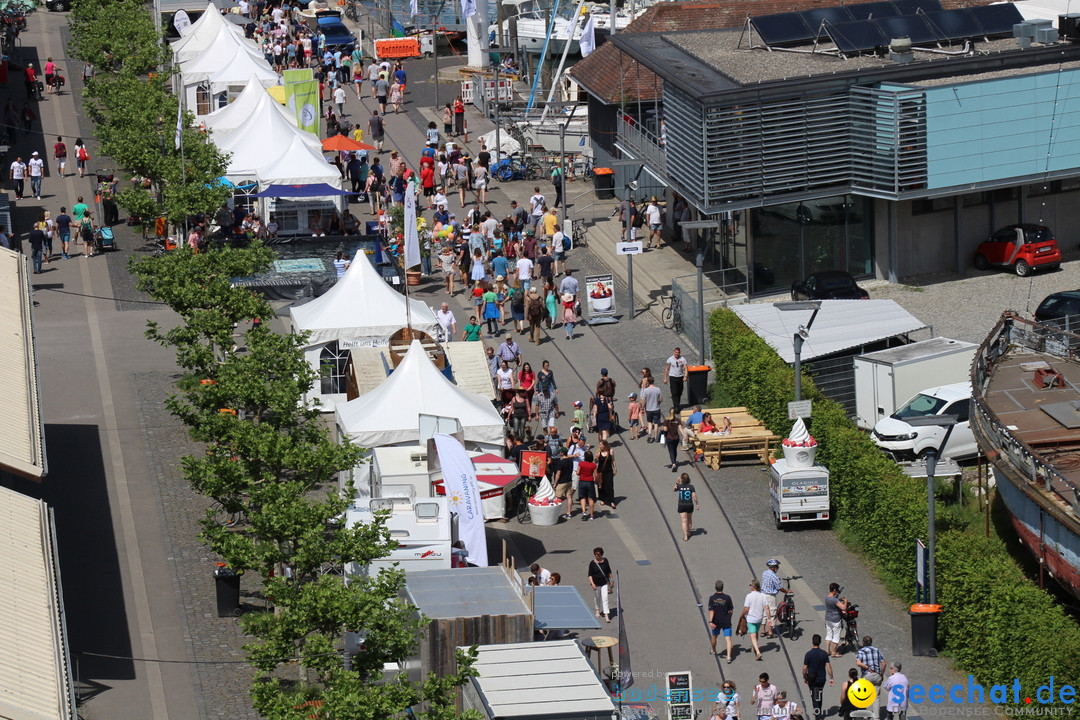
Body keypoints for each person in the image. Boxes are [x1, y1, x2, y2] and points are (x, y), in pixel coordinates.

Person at [803, 634, 833, 719]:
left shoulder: (808, 654)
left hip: (812, 679)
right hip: (822, 678)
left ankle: (818, 715)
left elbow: (805, 668)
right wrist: (831, 678)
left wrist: (804, 677)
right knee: (819, 694)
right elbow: (828, 666)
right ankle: (818, 711)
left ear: (812, 642)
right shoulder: (824, 653)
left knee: (815, 696)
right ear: (820, 642)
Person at [741, 580, 769, 662]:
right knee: (756, 632)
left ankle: (758, 652)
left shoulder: (749, 596)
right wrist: (769, 618)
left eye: (750, 585)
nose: (749, 586)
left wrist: (742, 615)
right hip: (759, 618)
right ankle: (754, 647)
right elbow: (767, 607)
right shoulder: (763, 596)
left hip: (751, 618)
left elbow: (746, 609)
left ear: (753, 587)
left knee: (752, 635)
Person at [708, 580, 735, 661]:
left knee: (714, 636)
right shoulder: (727, 597)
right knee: (728, 639)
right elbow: (731, 610)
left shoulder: (712, 598)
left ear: (715, 588)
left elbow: (711, 611)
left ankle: (713, 650)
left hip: (716, 621)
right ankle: (729, 657)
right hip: (726, 621)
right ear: (723, 587)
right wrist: (729, 617)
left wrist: (710, 621)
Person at [587, 547, 613, 623]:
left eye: (598, 554)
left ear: (601, 554)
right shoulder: (592, 563)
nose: (596, 555)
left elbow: (609, 572)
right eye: (595, 554)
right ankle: (597, 610)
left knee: (605, 599)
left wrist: (612, 581)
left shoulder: (605, 561)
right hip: (596, 583)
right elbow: (590, 575)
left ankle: (606, 615)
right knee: (597, 597)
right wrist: (592, 584)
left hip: (604, 583)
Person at [824, 583, 849, 657]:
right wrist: (846, 601)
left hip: (828, 618)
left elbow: (834, 602)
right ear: (834, 590)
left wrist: (839, 599)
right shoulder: (834, 600)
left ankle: (827, 650)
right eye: (837, 590)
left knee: (828, 634)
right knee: (836, 635)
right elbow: (843, 608)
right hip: (835, 619)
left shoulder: (827, 597)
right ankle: (834, 652)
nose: (837, 591)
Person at [761, 559, 784, 638]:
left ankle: (763, 630)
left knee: (764, 613)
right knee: (771, 614)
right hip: (770, 597)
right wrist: (787, 591)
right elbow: (779, 587)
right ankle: (771, 632)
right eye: (777, 567)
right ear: (774, 567)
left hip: (763, 595)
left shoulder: (764, 573)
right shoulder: (774, 576)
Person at [552, 447, 575, 519]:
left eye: (560, 452)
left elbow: (558, 474)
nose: (559, 453)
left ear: (562, 453)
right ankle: (569, 513)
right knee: (569, 497)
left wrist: (555, 483)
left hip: (562, 482)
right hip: (569, 480)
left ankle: (554, 514)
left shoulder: (560, 463)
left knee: (557, 498)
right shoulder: (571, 461)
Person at [674, 472, 698, 540]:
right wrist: (697, 504)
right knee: (689, 519)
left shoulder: (679, 486)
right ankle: (689, 532)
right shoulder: (691, 487)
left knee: (684, 521)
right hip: (689, 504)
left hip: (681, 505)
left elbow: (674, 489)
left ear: (682, 479)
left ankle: (685, 536)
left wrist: (677, 482)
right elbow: (694, 496)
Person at [664, 346, 689, 411]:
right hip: (673, 377)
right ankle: (676, 406)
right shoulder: (670, 359)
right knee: (674, 392)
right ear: (674, 352)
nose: (677, 354)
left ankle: (677, 403)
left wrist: (685, 376)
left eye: (678, 353)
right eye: (675, 352)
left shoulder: (682, 359)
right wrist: (665, 378)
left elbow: (686, 368)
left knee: (680, 392)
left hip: (680, 377)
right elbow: (667, 369)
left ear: (680, 353)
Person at [641, 376, 663, 442]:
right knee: (656, 423)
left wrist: (642, 407)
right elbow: (661, 399)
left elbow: (644, 400)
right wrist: (658, 402)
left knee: (649, 422)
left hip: (649, 409)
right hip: (656, 408)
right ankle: (656, 436)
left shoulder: (645, 390)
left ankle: (650, 434)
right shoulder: (658, 389)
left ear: (648, 382)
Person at [577, 450, 598, 521]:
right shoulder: (593, 465)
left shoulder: (581, 464)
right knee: (590, 498)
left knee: (582, 497)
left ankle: (584, 512)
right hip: (590, 482)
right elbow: (596, 475)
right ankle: (591, 515)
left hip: (582, 481)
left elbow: (577, 472)